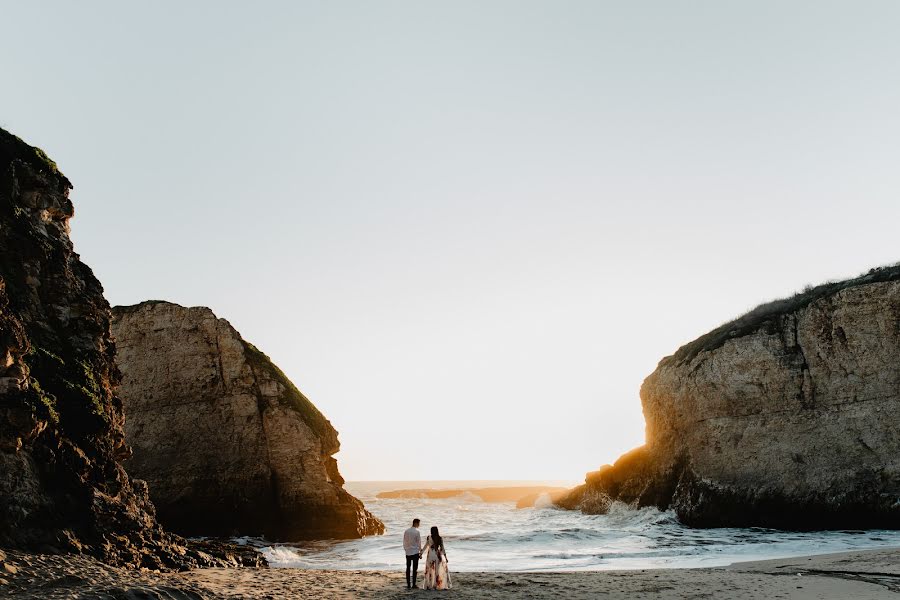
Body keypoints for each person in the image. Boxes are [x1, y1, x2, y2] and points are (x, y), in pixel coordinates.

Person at [422, 526, 451, 590]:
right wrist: (445, 558)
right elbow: (442, 548)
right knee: (437, 571)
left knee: (429, 570)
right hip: (437, 555)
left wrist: (421, 553)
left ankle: (430, 586)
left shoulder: (429, 537)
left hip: (430, 555)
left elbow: (426, 546)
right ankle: (436, 585)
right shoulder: (439, 538)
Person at [403, 518, 423, 589]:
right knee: (415, 569)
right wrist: (420, 552)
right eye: (418, 524)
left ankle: (408, 584)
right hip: (415, 552)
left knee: (408, 568)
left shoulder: (406, 531)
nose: (419, 525)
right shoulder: (417, 531)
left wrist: (406, 549)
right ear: (416, 523)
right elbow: (419, 543)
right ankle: (413, 584)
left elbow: (404, 542)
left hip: (408, 552)